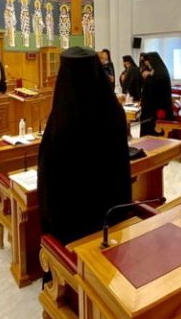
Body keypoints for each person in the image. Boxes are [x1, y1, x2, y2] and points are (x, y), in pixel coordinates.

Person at [38, 46, 131, 245]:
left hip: (72, 225)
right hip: (111, 218)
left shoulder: (62, 119)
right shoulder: (114, 111)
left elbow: (49, 174)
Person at [139, 52, 174, 136]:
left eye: (148, 62)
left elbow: (151, 89)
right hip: (152, 107)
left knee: (151, 132)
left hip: (156, 109)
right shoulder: (159, 71)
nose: (146, 64)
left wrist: (148, 77)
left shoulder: (159, 74)